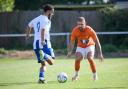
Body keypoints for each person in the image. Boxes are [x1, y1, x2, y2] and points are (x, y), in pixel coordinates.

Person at [67, 17, 103, 81]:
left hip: (90, 45)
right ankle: (76, 75)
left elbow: (97, 42)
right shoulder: (75, 30)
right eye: (79, 24)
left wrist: (100, 53)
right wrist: (69, 52)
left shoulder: (90, 30)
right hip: (80, 47)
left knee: (90, 58)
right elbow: (72, 42)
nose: (80, 26)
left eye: (82, 24)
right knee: (77, 59)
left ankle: (95, 75)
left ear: (85, 23)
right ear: (77, 24)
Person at [26, 4, 55, 84]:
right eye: (52, 11)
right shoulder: (46, 20)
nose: (53, 13)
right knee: (52, 61)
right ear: (48, 11)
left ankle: (41, 78)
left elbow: (29, 25)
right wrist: (42, 41)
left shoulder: (36, 19)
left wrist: (28, 34)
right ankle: (46, 55)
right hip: (44, 42)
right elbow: (43, 30)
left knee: (43, 64)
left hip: (36, 44)